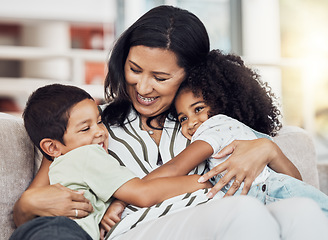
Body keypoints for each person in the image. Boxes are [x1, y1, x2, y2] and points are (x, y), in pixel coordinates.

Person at [12, 5, 328, 240]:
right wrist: (28, 203)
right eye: (135, 69)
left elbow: (294, 187)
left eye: (160, 77)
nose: (143, 87)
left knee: (304, 212)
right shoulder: (93, 125)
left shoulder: (206, 120)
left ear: (189, 75)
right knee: (242, 211)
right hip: (137, 230)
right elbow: (34, 201)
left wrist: (267, 149)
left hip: (213, 221)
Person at [10, 84, 211, 240]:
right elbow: (142, 193)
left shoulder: (66, 160)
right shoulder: (87, 155)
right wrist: (201, 182)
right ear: (52, 148)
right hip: (58, 232)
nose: (99, 131)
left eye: (99, 121)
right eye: (85, 129)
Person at [149, 49, 328, 216]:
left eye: (198, 109)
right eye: (183, 118)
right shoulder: (243, 132)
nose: (192, 122)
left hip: (274, 196)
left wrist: (133, 187)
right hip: (283, 197)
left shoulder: (215, 126)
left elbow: (176, 167)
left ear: (220, 102)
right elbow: (296, 183)